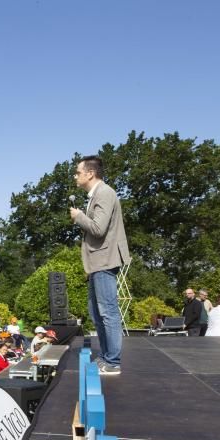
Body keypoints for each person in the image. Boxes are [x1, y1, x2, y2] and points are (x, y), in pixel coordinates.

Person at [69, 155, 130, 375]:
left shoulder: (105, 193)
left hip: (104, 260)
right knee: (96, 313)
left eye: (78, 172)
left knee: (108, 312)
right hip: (97, 262)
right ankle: (106, 357)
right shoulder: (97, 194)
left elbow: (98, 228)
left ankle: (113, 361)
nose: (75, 176)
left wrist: (78, 217)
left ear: (90, 173)